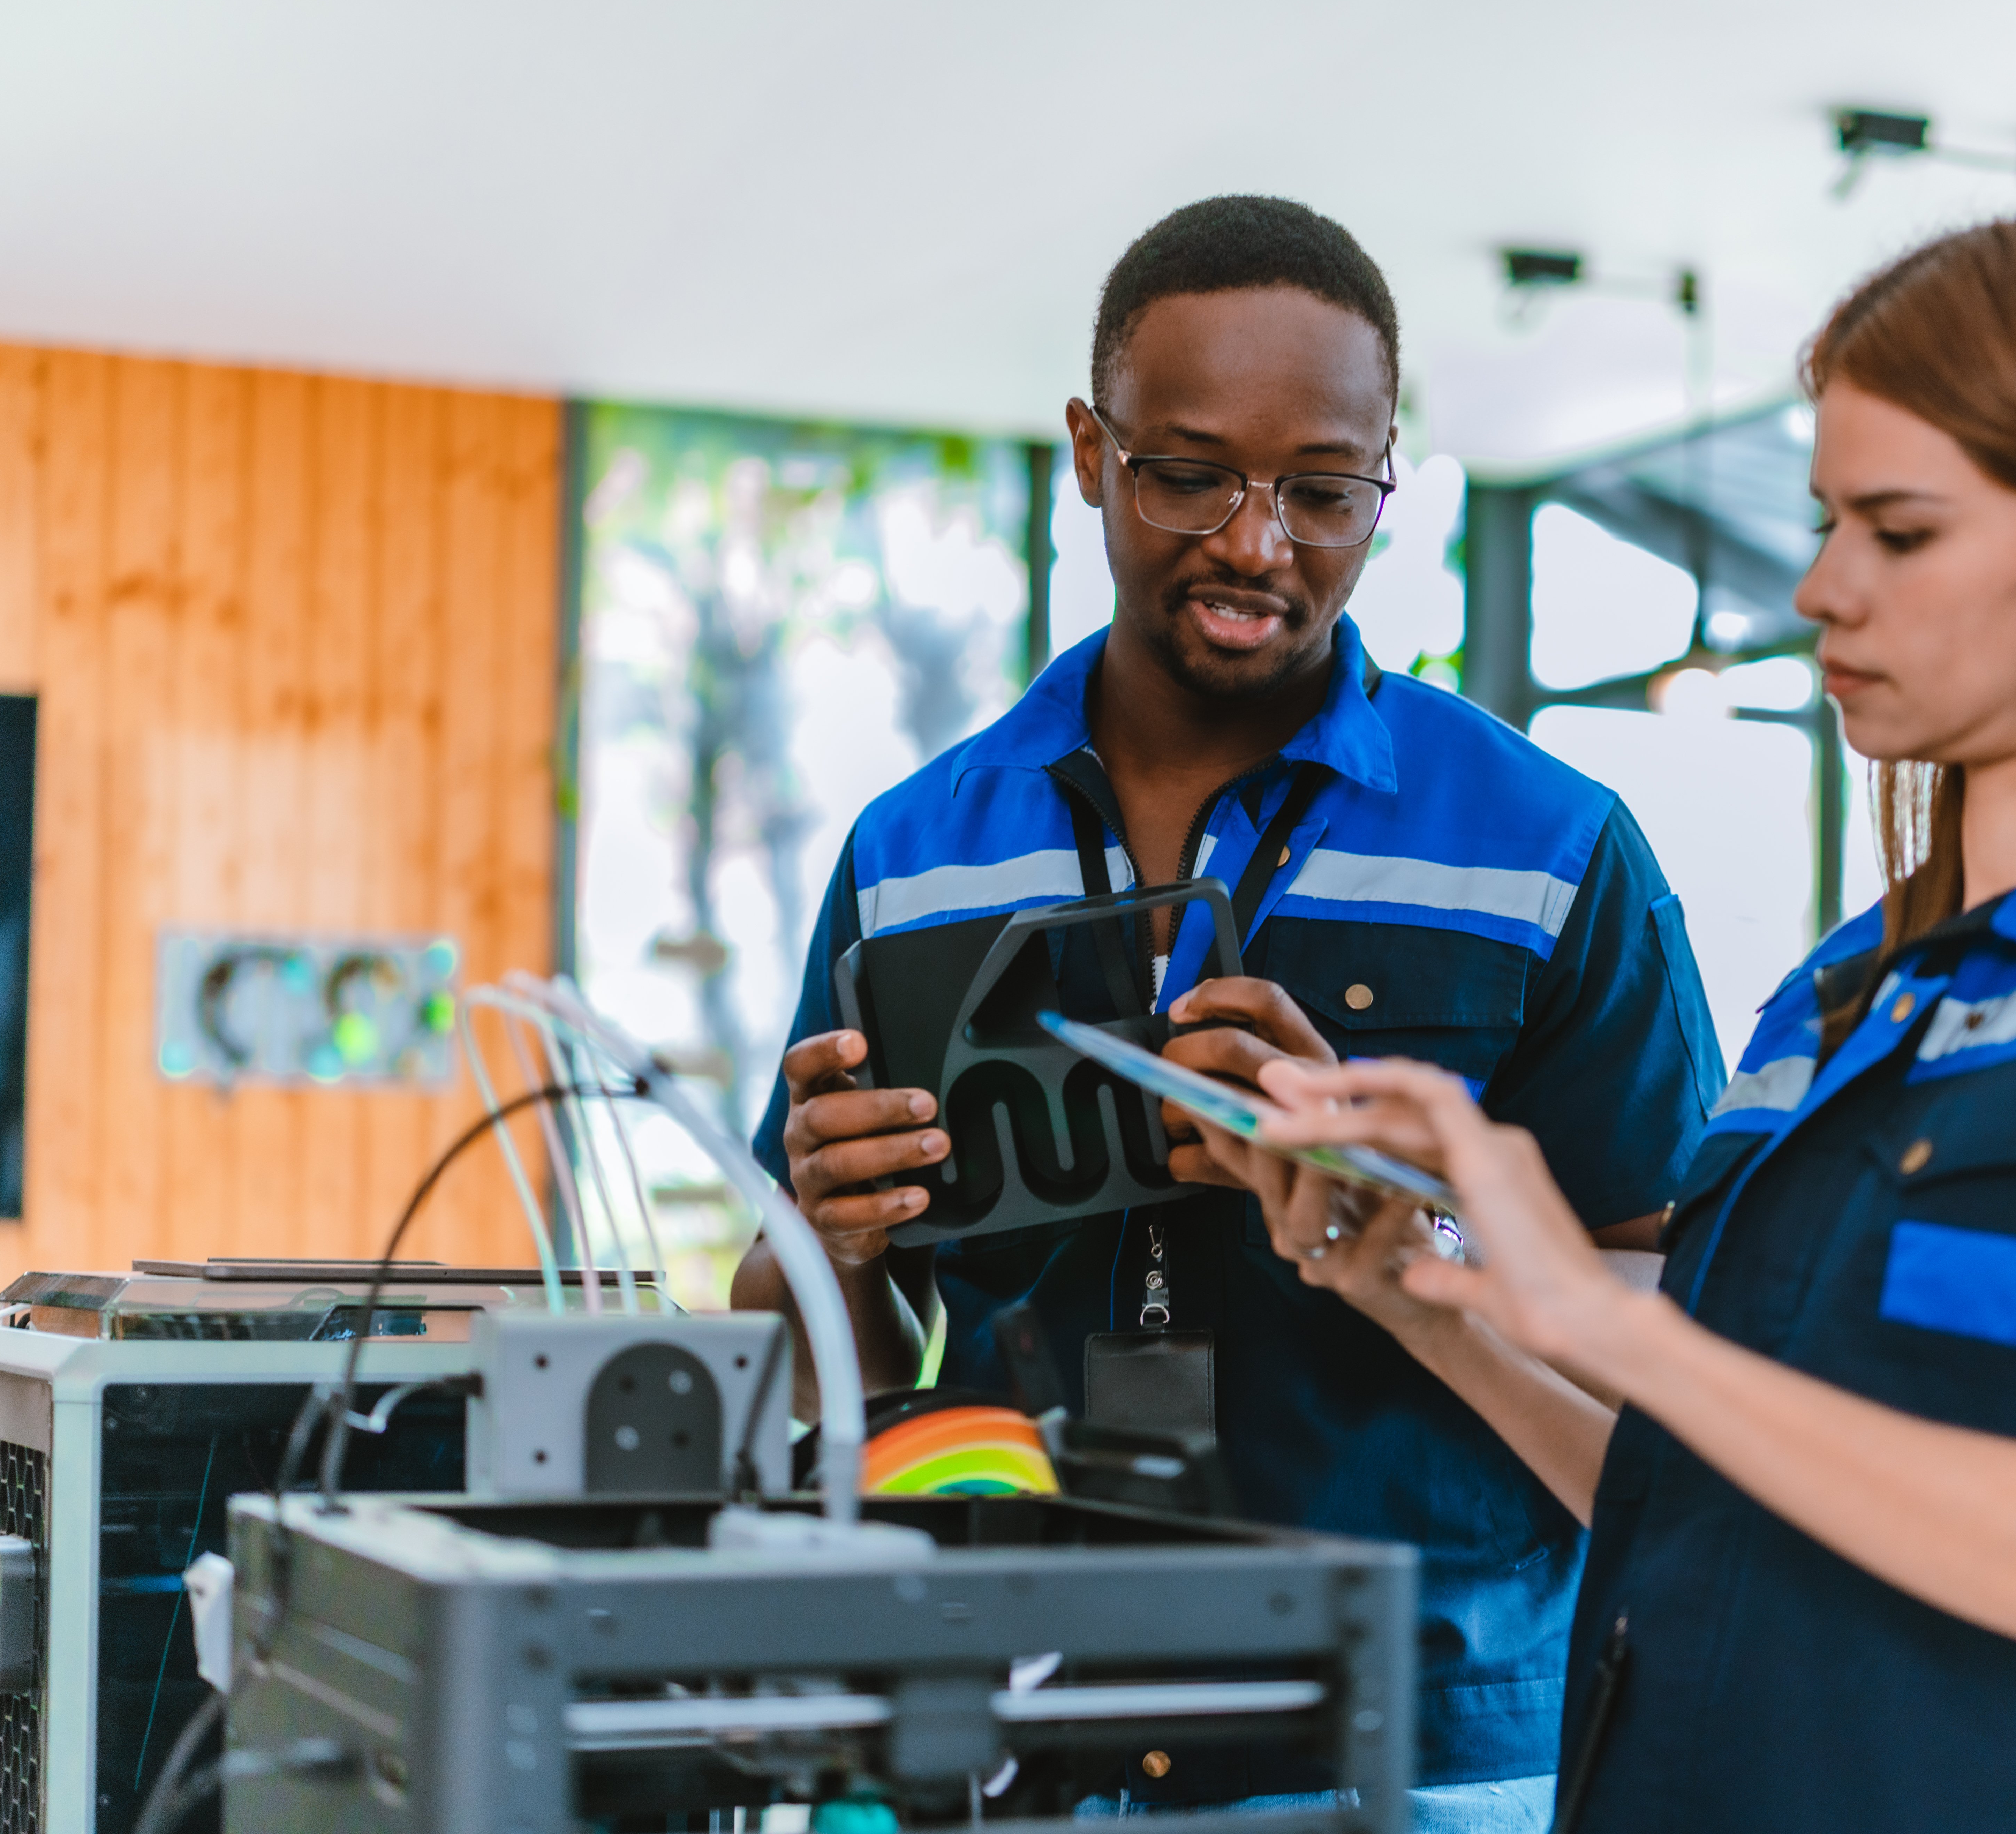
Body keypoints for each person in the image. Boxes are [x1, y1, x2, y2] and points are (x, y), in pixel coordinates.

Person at [1222, 208, 2016, 1832]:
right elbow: (1710, 1510)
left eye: (1898, 533)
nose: (1819, 588)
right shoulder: (1841, 998)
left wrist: (1609, 1323)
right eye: (1826, 520)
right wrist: (1419, 1302)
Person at [730, 195, 1723, 1828]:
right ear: (1088, 453)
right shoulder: (912, 852)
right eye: (1187, 476)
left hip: (1421, 1746)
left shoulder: (1549, 847)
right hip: (1012, 1729)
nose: (1257, 546)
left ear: (1387, 482)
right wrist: (830, 1242)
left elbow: (1677, 1317)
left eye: (1322, 492)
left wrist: (1414, 1227)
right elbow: (809, 1349)